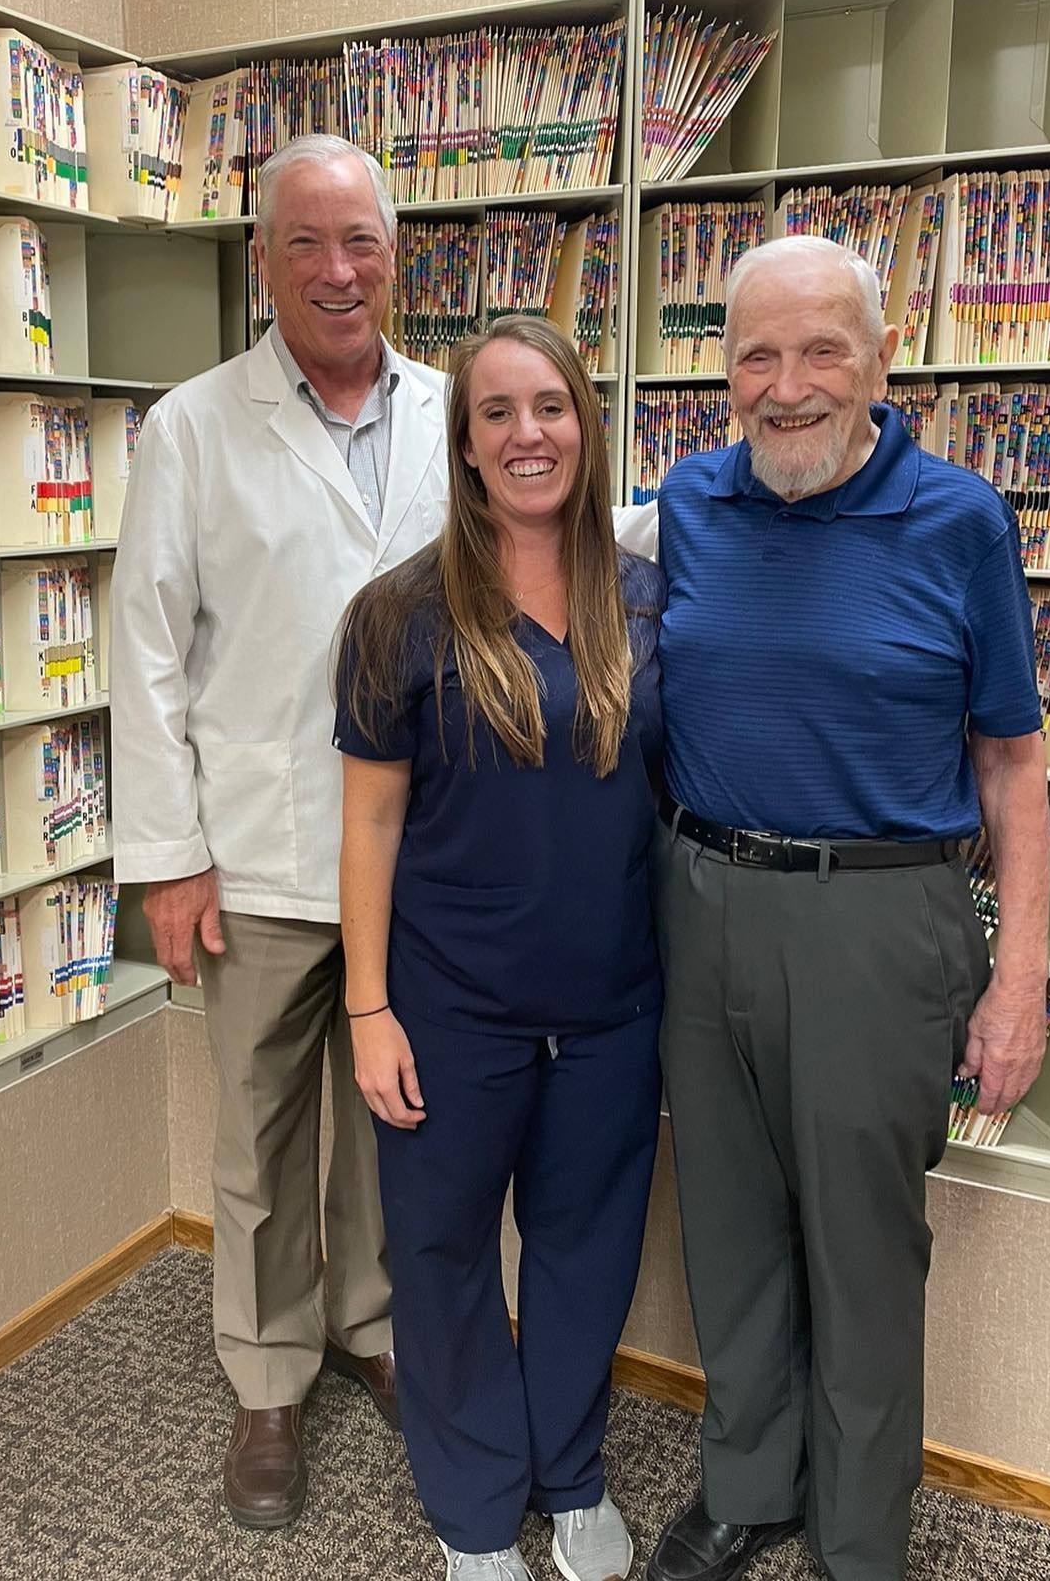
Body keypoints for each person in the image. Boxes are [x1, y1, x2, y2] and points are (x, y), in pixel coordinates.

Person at [639, 237, 1050, 1581]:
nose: (789, 384)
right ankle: (750, 1488)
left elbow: (1011, 763)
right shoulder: (691, 502)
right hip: (701, 905)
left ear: (883, 357)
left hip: (879, 921)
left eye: (823, 349)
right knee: (734, 1226)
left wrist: (1019, 982)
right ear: (724, 372)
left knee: (866, 1256)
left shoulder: (960, 519)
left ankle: (863, 1539)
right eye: (757, 353)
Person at [110, 133, 450, 1528]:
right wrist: (170, 858)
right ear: (260, 263)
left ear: (394, 255)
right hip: (253, 847)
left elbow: (563, 537)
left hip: (424, 852)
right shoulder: (194, 424)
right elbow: (141, 649)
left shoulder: (454, 410)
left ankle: (370, 1328)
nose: (335, 268)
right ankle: (265, 1376)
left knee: (390, 1121)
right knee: (257, 1130)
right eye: (303, 242)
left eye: (358, 239)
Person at [334, 316, 665, 1581]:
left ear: (586, 422)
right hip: (448, 1011)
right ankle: (475, 1513)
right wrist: (369, 1008)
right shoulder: (395, 619)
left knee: (589, 1248)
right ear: (464, 445)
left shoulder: (646, 601)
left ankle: (569, 1476)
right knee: (444, 1254)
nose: (528, 435)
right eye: (497, 415)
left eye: (551, 407)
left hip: (612, 1013)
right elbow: (369, 822)